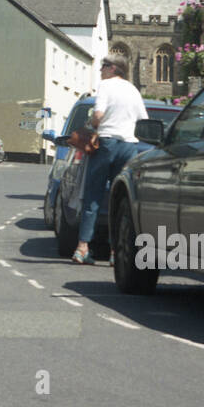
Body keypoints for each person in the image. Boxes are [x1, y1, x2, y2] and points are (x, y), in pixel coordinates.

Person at [72, 55, 148, 265]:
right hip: (129, 146)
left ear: (113, 68)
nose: (101, 70)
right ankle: (116, 251)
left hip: (106, 144)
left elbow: (98, 115)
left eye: (103, 66)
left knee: (93, 195)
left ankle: (82, 248)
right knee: (120, 199)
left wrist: (92, 124)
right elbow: (142, 118)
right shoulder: (133, 90)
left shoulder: (105, 85)